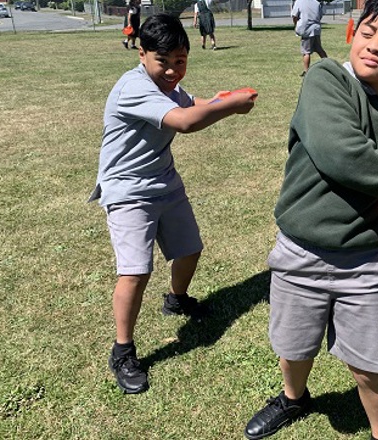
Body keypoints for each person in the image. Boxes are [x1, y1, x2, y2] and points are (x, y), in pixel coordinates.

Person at [244, 0, 378, 439]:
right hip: (300, 250)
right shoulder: (327, 80)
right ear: (352, 34)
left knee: (372, 365)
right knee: (294, 346)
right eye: (368, 33)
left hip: (366, 261)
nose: (376, 46)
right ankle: (293, 397)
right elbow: (342, 154)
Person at [90, 13, 257, 394]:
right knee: (135, 271)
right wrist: (230, 107)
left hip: (164, 182)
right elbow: (184, 121)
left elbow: (192, 102)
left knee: (189, 249)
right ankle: (122, 350)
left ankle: (177, 300)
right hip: (129, 190)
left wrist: (225, 98)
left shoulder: (168, 87)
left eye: (179, 62)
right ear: (142, 55)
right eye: (162, 61)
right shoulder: (133, 87)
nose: (171, 71)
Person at [291, 0, 328, 76]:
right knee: (319, 49)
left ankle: (306, 71)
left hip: (306, 29)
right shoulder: (316, 2)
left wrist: (296, 25)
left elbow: (295, 15)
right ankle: (329, 65)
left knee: (306, 52)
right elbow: (320, 15)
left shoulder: (299, 2)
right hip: (316, 28)